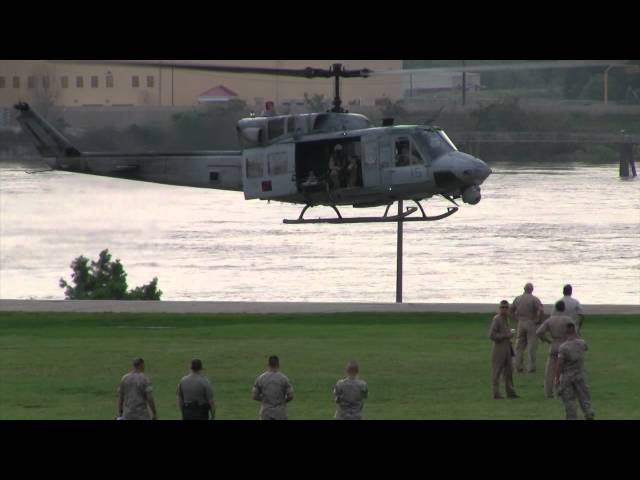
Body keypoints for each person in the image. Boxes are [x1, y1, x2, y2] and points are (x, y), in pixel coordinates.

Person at [554, 323, 595, 420]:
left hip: (567, 376)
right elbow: (585, 349)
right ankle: (589, 413)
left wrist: (557, 378)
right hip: (580, 373)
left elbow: (560, 363)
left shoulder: (563, 347)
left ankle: (571, 417)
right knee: (584, 396)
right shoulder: (582, 343)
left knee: (569, 399)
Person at [536, 301, 573, 398]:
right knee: (566, 369)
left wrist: (547, 340)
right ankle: (563, 391)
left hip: (554, 344)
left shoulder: (550, 320)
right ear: (564, 308)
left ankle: (548, 392)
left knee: (550, 370)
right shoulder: (568, 320)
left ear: (556, 308)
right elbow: (574, 333)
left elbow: (539, 332)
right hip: (565, 344)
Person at [510, 282, 544, 373]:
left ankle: (517, 365)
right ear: (532, 289)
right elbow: (541, 310)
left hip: (521, 322)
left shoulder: (518, 298)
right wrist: (539, 320)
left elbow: (511, 310)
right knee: (531, 345)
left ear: (524, 289)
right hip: (531, 322)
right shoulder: (534, 299)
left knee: (519, 345)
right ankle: (531, 367)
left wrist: (516, 318)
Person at [489, 300, 518, 399]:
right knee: (497, 371)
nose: (504, 309)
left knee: (509, 371)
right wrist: (506, 335)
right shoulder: (497, 319)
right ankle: (496, 393)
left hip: (507, 348)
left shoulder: (507, 319)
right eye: (502, 307)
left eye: (506, 307)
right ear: (499, 308)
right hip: (499, 348)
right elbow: (492, 335)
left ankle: (510, 392)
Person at [252, 355, 294, 420]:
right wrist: (283, 401)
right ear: (278, 364)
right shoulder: (284, 379)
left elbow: (254, 396)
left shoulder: (261, 378)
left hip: (266, 413)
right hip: (280, 413)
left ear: (268, 364)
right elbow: (291, 396)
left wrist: (264, 400)